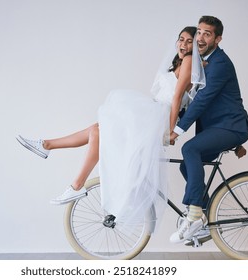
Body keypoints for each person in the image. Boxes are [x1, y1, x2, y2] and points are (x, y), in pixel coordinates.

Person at [17, 26, 203, 223]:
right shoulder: (181, 61)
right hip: (153, 112)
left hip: (159, 117)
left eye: (188, 41)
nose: (182, 44)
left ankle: (71, 179)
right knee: (97, 130)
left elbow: (176, 100)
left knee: (102, 126)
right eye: (180, 39)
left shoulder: (190, 61)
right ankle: (49, 149)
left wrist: (171, 131)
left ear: (195, 45)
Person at [168, 16, 248, 243]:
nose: (201, 37)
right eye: (199, 32)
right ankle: (203, 219)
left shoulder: (220, 63)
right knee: (187, 166)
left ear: (218, 38)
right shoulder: (202, 61)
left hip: (230, 127)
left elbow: (203, 99)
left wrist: (177, 130)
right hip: (221, 127)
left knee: (190, 149)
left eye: (207, 34)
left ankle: (195, 214)